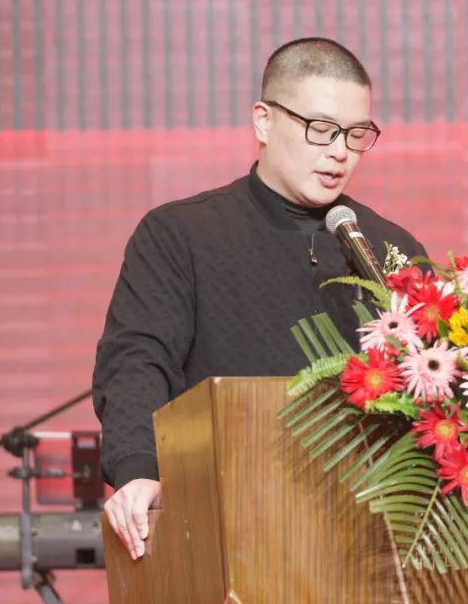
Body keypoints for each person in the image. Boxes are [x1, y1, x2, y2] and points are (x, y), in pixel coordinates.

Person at [92, 37, 427, 560]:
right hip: (226, 526)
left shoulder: (389, 249)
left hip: (373, 542)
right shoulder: (183, 235)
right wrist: (139, 468)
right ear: (264, 122)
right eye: (321, 129)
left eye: (356, 134)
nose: (340, 151)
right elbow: (137, 360)